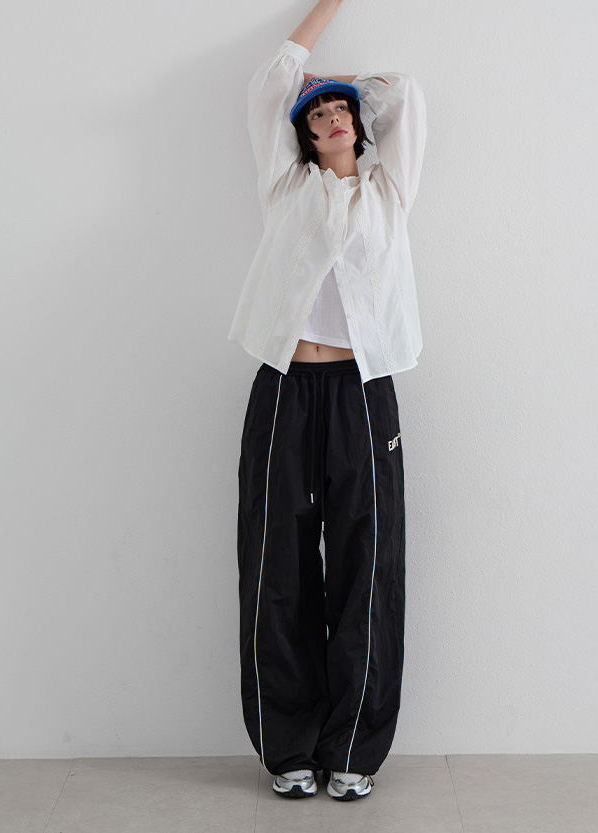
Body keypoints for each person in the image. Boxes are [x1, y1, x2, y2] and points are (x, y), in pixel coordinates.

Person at [228, 0, 427, 802]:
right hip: (285, 387)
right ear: (303, 137)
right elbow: (269, 84)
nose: (333, 118)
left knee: (365, 562)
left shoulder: (389, 192)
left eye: (342, 111)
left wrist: (341, 83)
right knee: (276, 563)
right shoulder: (285, 188)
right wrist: (322, 21)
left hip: (363, 391)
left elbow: (404, 93)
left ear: (358, 126)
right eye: (317, 115)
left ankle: (352, 747)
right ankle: (287, 747)